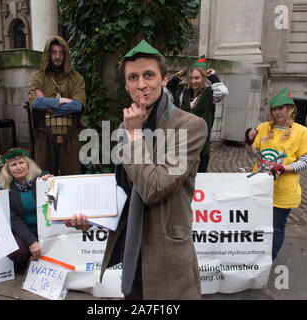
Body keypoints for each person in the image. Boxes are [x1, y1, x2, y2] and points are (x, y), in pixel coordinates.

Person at [66, 40, 208, 300]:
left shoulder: (189, 126)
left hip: (168, 257)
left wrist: (133, 136)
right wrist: (91, 216)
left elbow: (155, 188)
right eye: (133, 77)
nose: (141, 84)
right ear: (126, 85)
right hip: (131, 251)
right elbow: (125, 190)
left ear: (164, 79)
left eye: (149, 75)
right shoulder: (124, 127)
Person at [245, 87, 307, 260]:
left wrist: (284, 168)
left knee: (276, 227)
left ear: (291, 109)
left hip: (282, 190)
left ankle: (268, 260)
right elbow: (255, 155)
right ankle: (254, 256)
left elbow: (305, 161)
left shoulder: (302, 132)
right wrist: (248, 142)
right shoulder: (264, 127)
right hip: (259, 186)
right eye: (275, 109)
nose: (277, 112)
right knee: (255, 224)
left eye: (281, 108)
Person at [27, 36, 86, 176]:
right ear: (48, 54)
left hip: (69, 134)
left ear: (65, 54)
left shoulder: (76, 78)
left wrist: (47, 106)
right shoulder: (38, 77)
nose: (57, 56)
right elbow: (35, 103)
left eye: (61, 52)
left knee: (73, 177)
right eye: (53, 52)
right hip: (44, 134)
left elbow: (78, 106)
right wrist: (61, 101)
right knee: (43, 178)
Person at [165, 56, 228, 172]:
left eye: (197, 78)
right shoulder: (183, 92)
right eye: (191, 78)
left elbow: (223, 91)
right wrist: (176, 79)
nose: (193, 81)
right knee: (180, 175)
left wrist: (212, 76)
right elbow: (166, 93)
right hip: (182, 143)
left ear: (204, 78)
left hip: (201, 145)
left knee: (199, 177)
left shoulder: (211, 93)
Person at [0, 147, 52, 269]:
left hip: (46, 229)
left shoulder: (42, 179)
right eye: (13, 165)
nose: (18, 167)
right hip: (24, 231)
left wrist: (50, 183)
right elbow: (13, 218)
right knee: (17, 252)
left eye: (21, 162)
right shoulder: (4, 189)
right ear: (8, 169)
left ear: (28, 164)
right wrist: (31, 241)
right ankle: (27, 259)